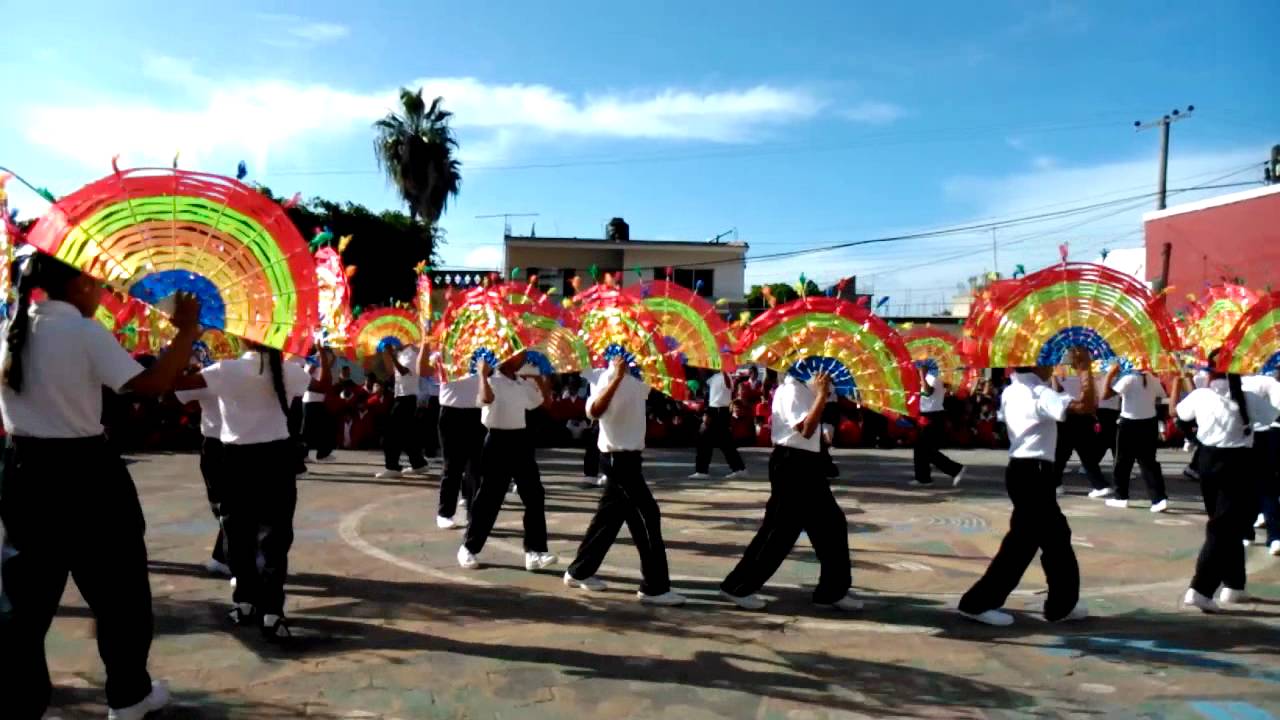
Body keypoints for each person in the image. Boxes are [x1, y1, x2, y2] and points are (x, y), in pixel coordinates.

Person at [0, 248, 201, 720]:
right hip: (84, 471)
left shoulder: (10, 329)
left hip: (23, 468)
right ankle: (129, 695)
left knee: (23, 602)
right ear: (78, 286)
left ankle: (18, 702)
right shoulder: (82, 330)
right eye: (97, 284)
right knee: (120, 590)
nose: (102, 292)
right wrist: (187, 329)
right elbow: (149, 385)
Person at [175, 344, 331, 639]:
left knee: (238, 533)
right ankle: (272, 610)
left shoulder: (226, 370)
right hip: (277, 458)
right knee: (276, 534)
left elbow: (179, 385)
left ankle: (245, 602)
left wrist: (186, 343)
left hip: (235, 459)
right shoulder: (287, 370)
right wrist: (323, 355)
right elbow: (323, 387)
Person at [957, 362, 1093, 626]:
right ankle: (978, 602)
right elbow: (1085, 408)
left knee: (1041, 539)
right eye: (1049, 361)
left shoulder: (1013, 389)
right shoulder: (1038, 393)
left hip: (1022, 470)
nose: (1053, 367)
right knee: (1032, 542)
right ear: (1037, 364)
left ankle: (1061, 605)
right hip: (1035, 473)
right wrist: (1085, 369)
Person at [719, 370, 862, 612]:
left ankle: (832, 590)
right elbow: (804, 429)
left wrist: (821, 398)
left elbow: (814, 430)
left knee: (831, 525)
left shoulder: (807, 388)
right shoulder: (792, 388)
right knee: (779, 531)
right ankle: (737, 586)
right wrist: (822, 396)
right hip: (792, 464)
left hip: (809, 463)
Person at [563, 356, 686, 605]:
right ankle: (655, 587)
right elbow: (595, 411)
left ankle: (579, 571)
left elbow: (659, 389)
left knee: (608, 520)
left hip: (631, 458)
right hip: (617, 459)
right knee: (647, 515)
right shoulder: (604, 376)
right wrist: (617, 376)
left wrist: (660, 364)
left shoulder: (637, 378)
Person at [1174, 354, 1270, 612]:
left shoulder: (1201, 395)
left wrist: (1193, 433)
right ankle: (1201, 589)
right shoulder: (1248, 397)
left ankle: (1234, 585)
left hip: (1208, 462)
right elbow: (1271, 418)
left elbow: (1181, 416)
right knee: (1225, 528)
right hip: (1238, 464)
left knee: (1227, 526)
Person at [458, 353, 557, 571]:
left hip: (520, 439)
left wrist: (539, 376)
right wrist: (483, 375)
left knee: (534, 494)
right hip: (497, 440)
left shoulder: (521, 381)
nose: (524, 357)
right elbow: (485, 399)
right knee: (489, 498)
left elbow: (543, 402)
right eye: (520, 353)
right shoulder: (491, 377)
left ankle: (535, 551)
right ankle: (469, 547)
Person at [175, 355, 232, 577]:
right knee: (223, 507)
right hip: (217, 446)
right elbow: (180, 392)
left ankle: (226, 556)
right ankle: (225, 555)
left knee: (231, 506)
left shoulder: (223, 373)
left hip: (232, 445)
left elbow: (180, 390)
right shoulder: (211, 375)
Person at [1102, 364, 1169, 512]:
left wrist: (1110, 375)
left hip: (1129, 423)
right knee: (1149, 462)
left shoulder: (1128, 378)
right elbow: (1161, 396)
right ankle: (1158, 499)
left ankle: (1121, 497)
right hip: (1149, 422)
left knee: (1122, 462)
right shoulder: (1152, 378)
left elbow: (1104, 396)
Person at [1052, 348, 1112, 498]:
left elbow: (1056, 390)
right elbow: (1095, 395)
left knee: (1062, 453)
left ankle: (1056, 483)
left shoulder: (1061, 370)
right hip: (1084, 415)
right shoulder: (1089, 371)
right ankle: (1099, 484)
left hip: (1069, 413)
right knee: (1085, 454)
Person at [436, 353, 482, 529]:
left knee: (476, 468)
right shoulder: (443, 346)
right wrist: (426, 339)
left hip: (476, 412)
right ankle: (445, 513)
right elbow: (423, 369)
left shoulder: (483, 346)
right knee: (452, 467)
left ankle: (475, 515)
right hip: (451, 410)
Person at [378, 340, 430, 479]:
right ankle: (418, 464)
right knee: (407, 434)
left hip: (408, 398)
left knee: (390, 433)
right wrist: (388, 355)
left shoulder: (414, 353)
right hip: (400, 396)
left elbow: (404, 371)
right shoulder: (402, 353)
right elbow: (391, 371)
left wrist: (392, 355)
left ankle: (392, 466)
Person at [1240, 371, 1280, 553]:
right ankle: (1274, 536)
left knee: (1247, 486)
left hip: (1242, 439)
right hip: (1265, 434)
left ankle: (1247, 532)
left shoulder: (1231, 383)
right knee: (1266, 486)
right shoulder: (1266, 381)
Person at [912, 363, 966, 487]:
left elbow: (928, 392)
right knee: (920, 448)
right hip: (925, 414)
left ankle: (955, 469)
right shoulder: (928, 377)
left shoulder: (934, 377)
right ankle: (923, 478)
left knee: (927, 450)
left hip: (933, 416)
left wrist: (922, 375)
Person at [690, 370, 747, 480]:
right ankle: (703, 470)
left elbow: (730, 386)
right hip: (713, 409)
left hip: (721, 411)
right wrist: (707, 411)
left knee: (722, 442)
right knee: (710, 441)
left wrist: (726, 370)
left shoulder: (728, 376)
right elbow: (709, 390)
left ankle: (739, 469)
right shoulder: (714, 376)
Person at [301, 351, 337, 464]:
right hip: (311, 400)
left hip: (320, 400)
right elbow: (307, 377)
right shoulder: (311, 361)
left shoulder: (322, 362)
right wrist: (316, 362)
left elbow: (325, 372)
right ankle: (304, 455)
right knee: (308, 430)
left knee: (324, 428)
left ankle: (322, 453)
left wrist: (330, 360)